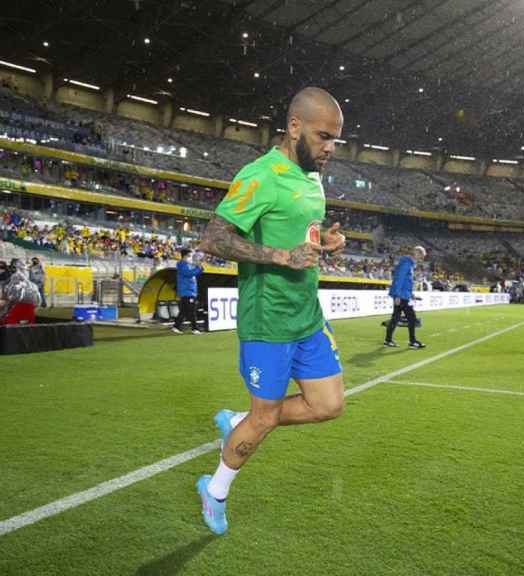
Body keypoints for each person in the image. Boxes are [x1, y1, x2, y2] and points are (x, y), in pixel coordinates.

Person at [195, 87, 347, 535]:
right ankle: (215, 489)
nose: (330, 149)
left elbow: (302, 233)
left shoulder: (311, 174)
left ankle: (237, 421)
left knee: (329, 405)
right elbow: (214, 239)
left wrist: (326, 243)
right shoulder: (260, 175)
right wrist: (282, 256)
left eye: (335, 140)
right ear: (294, 127)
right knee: (264, 420)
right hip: (268, 322)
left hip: (307, 315)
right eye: (323, 137)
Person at [384, 246, 427, 349]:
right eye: (421, 256)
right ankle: (412, 342)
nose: (422, 259)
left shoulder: (408, 264)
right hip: (402, 296)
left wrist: (411, 293)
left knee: (395, 318)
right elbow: (399, 280)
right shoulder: (407, 264)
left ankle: (388, 340)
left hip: (403, 294)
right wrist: (398, 295)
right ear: (416, 253)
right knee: (412, 318)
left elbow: (406, 282)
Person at [172, 248, 203, 334]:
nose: (191, 258)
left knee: (184, 310)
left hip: (190, 291)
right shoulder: (182, 264)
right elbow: (189, 273)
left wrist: (198, 267)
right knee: (192, 310)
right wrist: (199, 268)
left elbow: (195, 272)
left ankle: (176, 326)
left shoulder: (187, 264)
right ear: (185, 256)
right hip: (187, 291)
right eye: (190, 256)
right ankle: (195, 328)